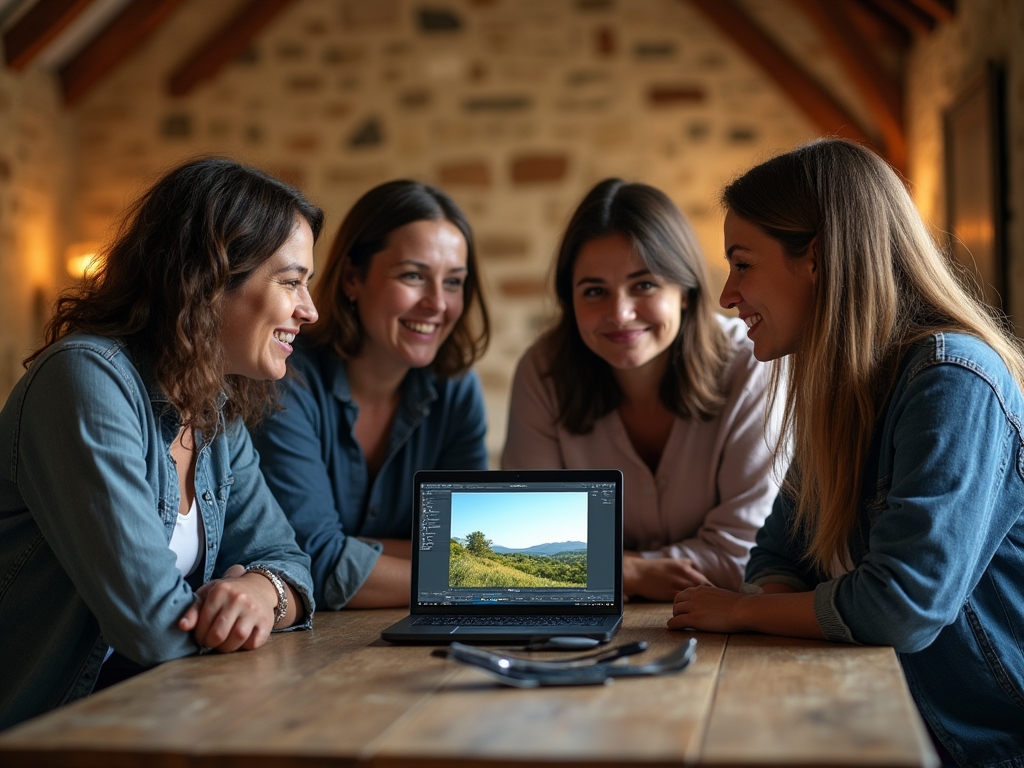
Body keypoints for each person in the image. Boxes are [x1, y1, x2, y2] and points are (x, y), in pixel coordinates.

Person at [669, 138, 1024, 766]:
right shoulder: (845, 391)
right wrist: (771, 598)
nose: (727, 296)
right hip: (899, 716)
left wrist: (744, 614)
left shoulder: (954, 380)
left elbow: (902, 607)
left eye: (743, 263)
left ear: (818, 258)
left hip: (986, 743)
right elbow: (781, 550)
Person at [0, 158, 321, 730]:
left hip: (160, 714)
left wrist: (258, 589)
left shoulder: (215, 405)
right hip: (46, 730)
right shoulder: (84, 382)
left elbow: (293, 564)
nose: (309, 310)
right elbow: (153, 627)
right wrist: (253, 610)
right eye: (291, 282)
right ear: (210, 277)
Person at [503, 178, 781, 598]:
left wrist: (609, 570)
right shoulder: (543, 374)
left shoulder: (751, 366)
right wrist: (630, 575)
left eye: (644, 285)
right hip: (582, 626)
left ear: (685, 292)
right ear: (569, 301)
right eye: (594, 291)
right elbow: (524, 549)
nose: (620, 313)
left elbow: (742, 557)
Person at [252, 180, 490, 609]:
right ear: (351, 279)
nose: (438, 303)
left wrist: (352, 548)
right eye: (414, 276)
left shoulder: (457, 390)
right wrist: (492, 585)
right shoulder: (285, 378)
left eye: (453, 282)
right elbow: (314, 563)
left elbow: (464, 548)